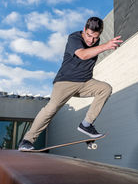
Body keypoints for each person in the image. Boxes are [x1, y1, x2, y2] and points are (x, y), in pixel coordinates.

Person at [18, 17, 123, 151]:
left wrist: (105, 45)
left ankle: (86, 124)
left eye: (95, 38)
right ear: (84, 30)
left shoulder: (97, 41)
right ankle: (27, 140)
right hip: (66, 82)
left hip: (85, 82)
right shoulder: (74, 38)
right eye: (89, 35)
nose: (91, 40)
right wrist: (105, 46)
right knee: (51, 109)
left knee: (105, 89)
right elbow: (83, 55)